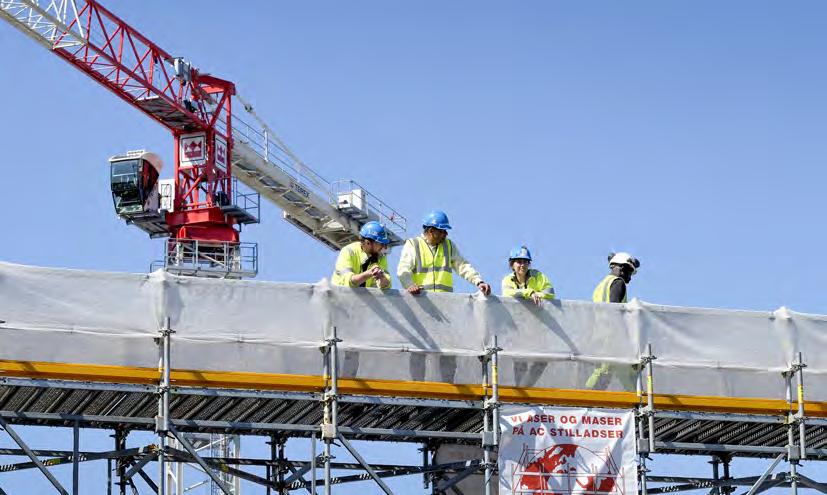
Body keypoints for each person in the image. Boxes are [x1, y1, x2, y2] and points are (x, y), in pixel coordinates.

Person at [397, 210, 491, 295]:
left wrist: (479, 281)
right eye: (442, 231)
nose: (446, 234)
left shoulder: (448, 246)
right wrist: (409, 285)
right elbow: (403, 269)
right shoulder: (413, 244)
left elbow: (462, 266)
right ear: (431, 231)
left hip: (445, 304)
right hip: (422, 301)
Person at [587, 251, 641, 390]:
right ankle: (585, 401)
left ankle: (634, 403)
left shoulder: (601, 285)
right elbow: (615, 312)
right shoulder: (618, 283)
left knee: (621, 373)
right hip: (612, 339)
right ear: (621, 268)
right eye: (629, 271)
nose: (630, 277)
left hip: (600, 336)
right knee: (604, 372)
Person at [331, 221, 391, 289]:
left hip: (359, 299)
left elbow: (387, 285)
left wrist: (381, 278)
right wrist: (369, 273)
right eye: (381, 244)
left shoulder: (381, 256)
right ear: (368, 243)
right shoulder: (348, 251)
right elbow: (348, 282)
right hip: (338, 297)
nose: (384, 247)